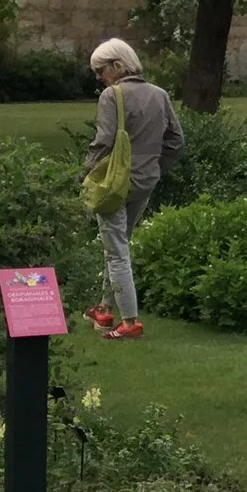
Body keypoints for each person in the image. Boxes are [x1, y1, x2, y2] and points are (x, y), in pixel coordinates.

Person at [82, 38, 184, 339]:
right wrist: (154, 167)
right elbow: (176, 142)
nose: (100, 78)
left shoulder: (111, 96)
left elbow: (104, 142)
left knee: (116, 253)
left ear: (117, 65)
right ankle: (104, 308)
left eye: (101, 70)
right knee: (117, 244)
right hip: (145, 182)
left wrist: (84, 176)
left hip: (115, 184)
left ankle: (129, 323)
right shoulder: (160, 94)